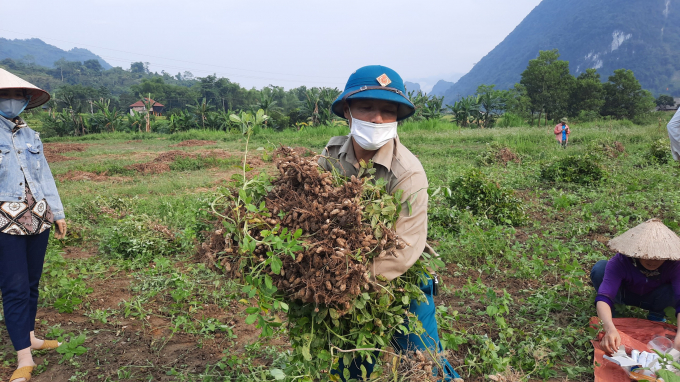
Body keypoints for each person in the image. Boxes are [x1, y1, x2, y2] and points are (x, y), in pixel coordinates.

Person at [319, 65, 462, 382]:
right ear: (348, 111)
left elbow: (404, 251)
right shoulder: (329, 158)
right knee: (349, 366)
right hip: (344, 275)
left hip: (402, 280)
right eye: (366, 107)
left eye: (387, 110)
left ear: (397, 117)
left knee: (423, 363)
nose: (377, 118)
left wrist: (341, 287)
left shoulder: (408, 172)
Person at [0, 68, 68, 382]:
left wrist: (58, 212)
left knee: (30, 284)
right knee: (14, 287)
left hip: (37, 217)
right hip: (5, 221)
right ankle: (24, 358)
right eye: (5, 95)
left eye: (17, 95)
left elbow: (45, 177)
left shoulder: (31, 135)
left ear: (27, 100)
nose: (12, 100)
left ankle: (29, 337)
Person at [590, 218, 680, 355]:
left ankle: (656, 315)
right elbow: (604, 296)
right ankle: (615, 315)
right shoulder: (621, 261)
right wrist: (609, 328)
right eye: (647, 254)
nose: (652, 260)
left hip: (656, 296)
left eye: (658, 256)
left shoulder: (674, 266)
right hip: (627, 293)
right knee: (600, 269)